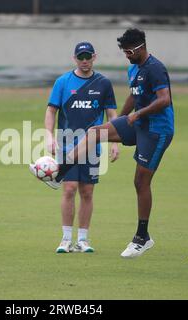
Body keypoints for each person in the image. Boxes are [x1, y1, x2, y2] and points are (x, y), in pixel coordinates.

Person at [32, 28, 175, 259]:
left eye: (129, 52)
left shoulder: (156, 68)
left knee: (140, 181)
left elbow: (164, 100)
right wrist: (121, 119)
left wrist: (138, 115)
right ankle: (60, 173)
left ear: (140, 48)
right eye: (125, 52)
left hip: (157, 131)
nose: (127, 56)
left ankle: (142, 237)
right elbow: (133, 96)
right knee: (94, 132)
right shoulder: (133, 68)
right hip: (138, 124)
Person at [30, 42, 119, 253]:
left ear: (95, 57)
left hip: (93, 147)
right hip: (67, 145)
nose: (85, 60)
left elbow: (112, 115)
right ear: (75, 59)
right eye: (81, 57)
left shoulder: (103, 83)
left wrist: (115, 142)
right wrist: (49, 136)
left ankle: (83, 240)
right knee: (69, 189)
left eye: (88, 56)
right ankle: (66, 239)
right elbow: (51, 111)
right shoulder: (63, 82)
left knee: (87, 191)